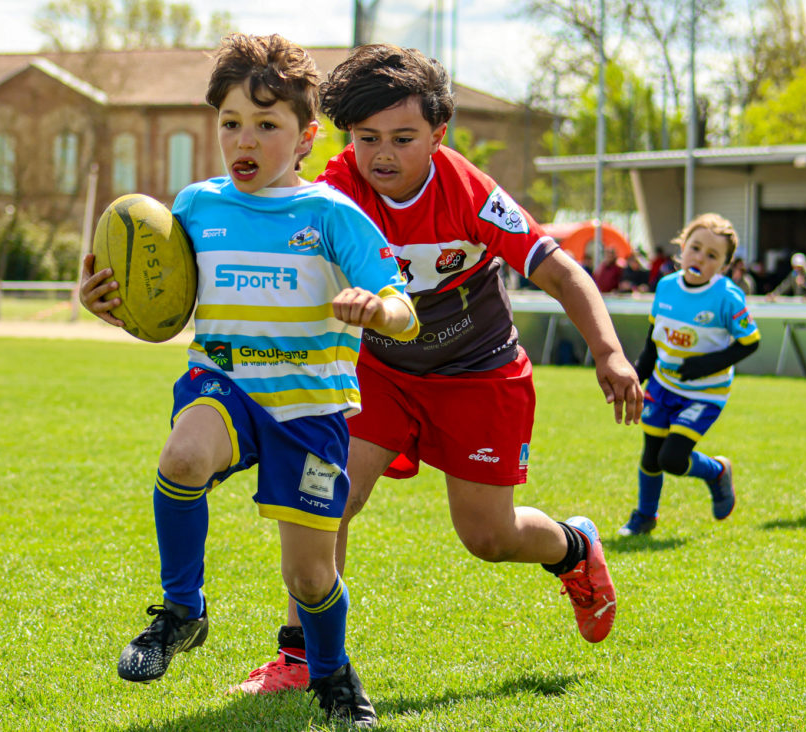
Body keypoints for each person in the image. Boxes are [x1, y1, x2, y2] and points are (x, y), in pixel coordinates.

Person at [232, 43, 643, 695]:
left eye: (403, 137)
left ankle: (572, 548)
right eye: (368, 139)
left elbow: (562, 271)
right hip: (383, 372)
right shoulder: (337, 192)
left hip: (479, 370)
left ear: (438, 134)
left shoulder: (469, 192)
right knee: (328, 495)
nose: (384, 155)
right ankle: (303, 657)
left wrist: (610, 352)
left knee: (488, 537)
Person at [78, 34, 421, 727]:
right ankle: (182, 611)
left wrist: (376, 306)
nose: (246, 139)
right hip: (224, 384)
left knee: (309, 577)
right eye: (232, 122)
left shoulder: (332, 217)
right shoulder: (196, 208)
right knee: (182, 458)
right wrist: (113, 306)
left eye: (267, 125)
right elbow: (162, 306)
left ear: (306, 137)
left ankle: (330, 674)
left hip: (309, 411)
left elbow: (405, 310)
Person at [617, 214, 760, 536]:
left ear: (724, 265)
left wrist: (706, 364)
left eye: (712, 256)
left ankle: (717, 471)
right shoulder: (666, 286)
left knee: (673, 459)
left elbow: (750, 342)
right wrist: (635, 376)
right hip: (663, 386)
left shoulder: (727, 296)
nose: (700, 258)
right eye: (695, 248)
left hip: (704, 394)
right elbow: (653, 340)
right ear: (682, 247)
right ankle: (645, 516)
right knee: (651, 455)